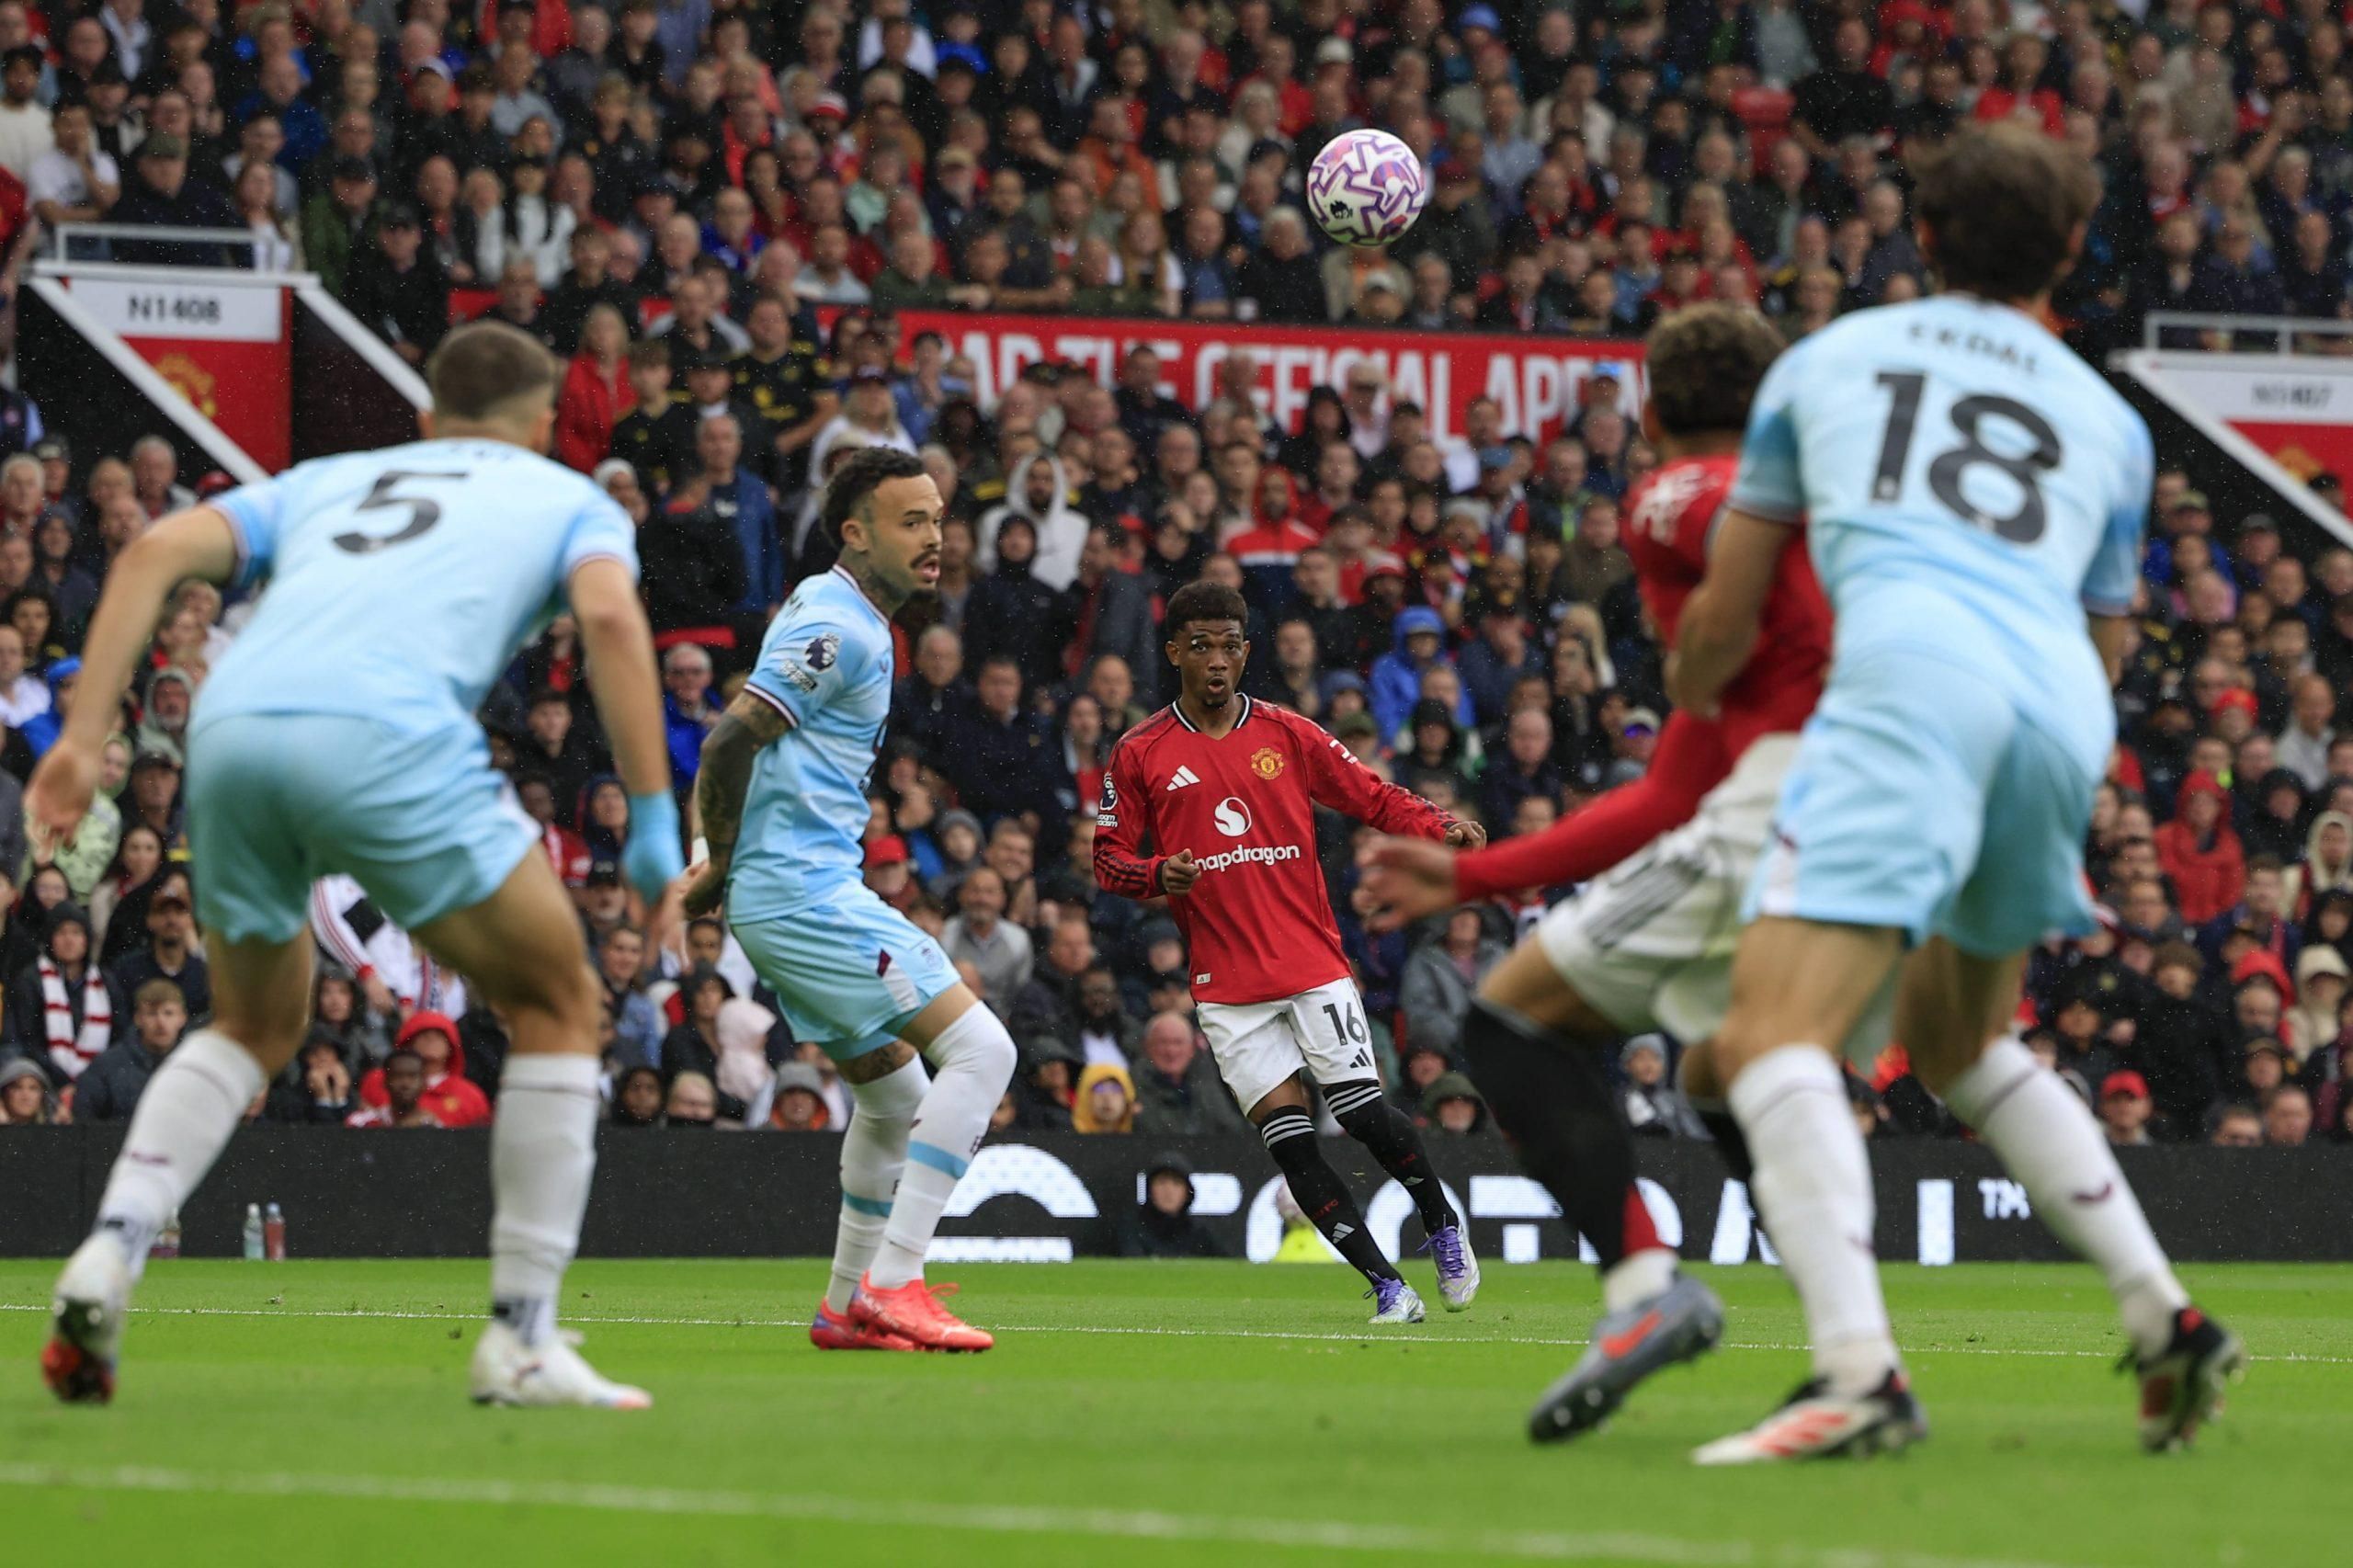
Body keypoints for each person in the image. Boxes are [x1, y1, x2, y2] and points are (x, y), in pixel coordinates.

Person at [1664, 127, 2240, 1461]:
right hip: (2057, 717)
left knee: (1766, 1039)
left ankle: (1858, 1372)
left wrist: (1697, 695)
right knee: (1961, 1042)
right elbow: (2105, 636)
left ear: (1922, 238)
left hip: (1914, 684)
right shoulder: (2107, 417)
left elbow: (1728, 614)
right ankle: (2164, 1312)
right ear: (2066, 259)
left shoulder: (1827, 360)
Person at [34, 323, 684, 1410]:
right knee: (561, 998)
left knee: (248, 1023)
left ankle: (110, 1246)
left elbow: (148, 554)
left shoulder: (329, 478)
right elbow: (612, 613)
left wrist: (79, 735)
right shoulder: (567, 497)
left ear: (427, 418)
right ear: (540, 429)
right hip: (385, 733)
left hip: (235, 730)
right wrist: (655, 810)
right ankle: (521, 1335)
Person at [1365, 304, 1821, 1439]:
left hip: (1791, 812)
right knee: (1732, 1071)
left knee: (1510, 1023)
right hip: (1908, 798)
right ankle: (1868, 1352)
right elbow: (1669, 788)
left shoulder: (1677, 500)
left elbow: (1719, 529)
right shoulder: (1798, 544)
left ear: (1653, 414)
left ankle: (1645, 1288)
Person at [684, 447, 1017, 1353]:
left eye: (938, 518)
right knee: (983, 1050)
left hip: (790, 891)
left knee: (890, 1094)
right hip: (800, 893)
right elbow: (726, 743)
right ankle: (896, 1279)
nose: (933, 537)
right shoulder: (844, 626)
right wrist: (713, 863)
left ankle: (843, 1306)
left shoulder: (838, 611)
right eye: (910, 520)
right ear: (854, 531)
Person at [1094, 579, 1487, 1324]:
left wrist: (1438, 824)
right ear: (1174, 652)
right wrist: (1155, 873)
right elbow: (1108, 859)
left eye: (1230, 646)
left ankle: (1440, 1221)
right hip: (1225, 984)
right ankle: (1387, 1286)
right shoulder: (1140, 751)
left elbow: (1370, 795)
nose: (1216, 660)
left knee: (1365, 1114)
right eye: (1200, 646)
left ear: (1247, 654)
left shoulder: (1288, 733)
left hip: (1310, 964)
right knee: (1292, 1144)